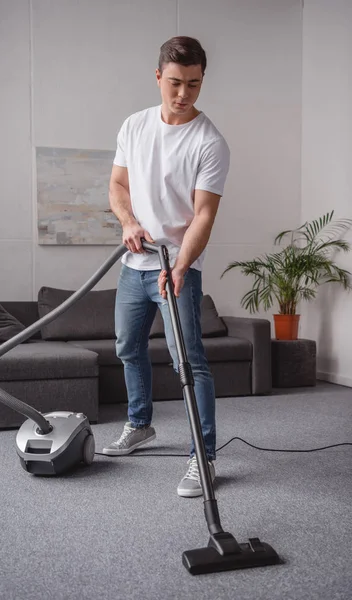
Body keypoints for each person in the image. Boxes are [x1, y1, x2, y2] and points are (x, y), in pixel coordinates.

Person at [102, 36, 230, 498]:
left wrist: (180, 266)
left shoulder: (210, 142)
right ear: (158, 77)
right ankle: (140, 425)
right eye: (175, 83)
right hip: (133, 265)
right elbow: (117, 185)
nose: (183, 94)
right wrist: (129, 220)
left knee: (189, 362)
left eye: (193, 84)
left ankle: (205, 456)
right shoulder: (134, 126)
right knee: (127, 347)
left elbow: (204, 215)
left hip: (178, 269)